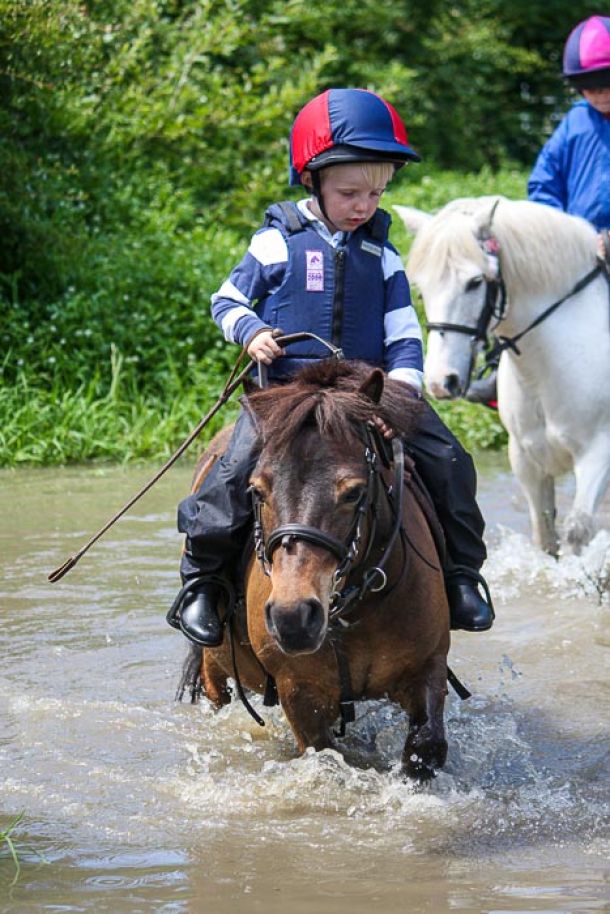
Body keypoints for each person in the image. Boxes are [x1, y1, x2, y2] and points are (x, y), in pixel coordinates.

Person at [168, 88, 494, 647]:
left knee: (450, 460)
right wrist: (252, 333)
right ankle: (202, 584)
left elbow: (403, 335)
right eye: (350, 192)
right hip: (287, 398)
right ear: (313, 180)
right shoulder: (276, 243)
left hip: (365, 395)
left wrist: (401, 391)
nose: (364, 205)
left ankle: (462, 576)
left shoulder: (384, 256)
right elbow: (226, 301)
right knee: (230, 472)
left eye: (376, 192)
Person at [467, 14, 610, 405]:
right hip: (576, 251)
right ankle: (500, 376)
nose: (598, 94)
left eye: (605, 84)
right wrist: (555, 235)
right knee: (518, 293)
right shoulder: (574, 123)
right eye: (587, 87)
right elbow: (544, 184)